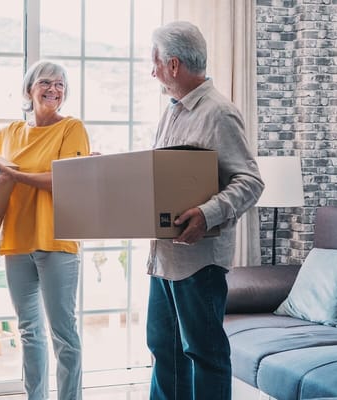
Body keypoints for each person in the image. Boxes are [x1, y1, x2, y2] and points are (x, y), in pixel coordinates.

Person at [146, 21, 264, 400]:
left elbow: (250, 182)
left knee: (204, 354)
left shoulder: (219, 113)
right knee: (164, 350)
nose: (153, 71)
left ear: (174, 65)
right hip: (163, 258)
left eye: (156, 62)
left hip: (199, 263)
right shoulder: (172, 111)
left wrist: (207, 213)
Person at [0, 61, 89, 400]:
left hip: (57, 241)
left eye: (60, 84)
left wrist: (15, 176)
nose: (53, 89)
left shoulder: (71, 128)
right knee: (29, 332)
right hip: (17, 241)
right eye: (45, 82)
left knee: (63, 334)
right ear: (29, 90)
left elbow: (64, 180)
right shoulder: (12, 132)